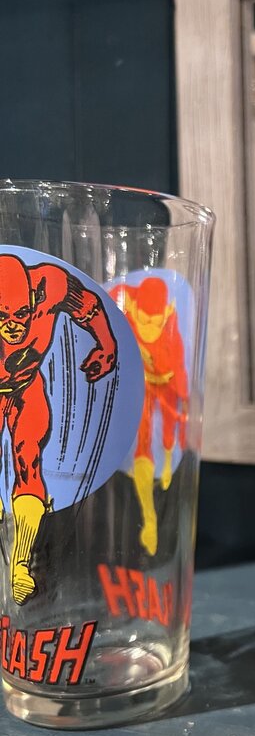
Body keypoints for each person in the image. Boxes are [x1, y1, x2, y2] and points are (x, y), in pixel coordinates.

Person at [0, 254, 117, 604]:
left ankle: (21, 564)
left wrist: (106, 347)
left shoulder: (52, 285)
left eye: (21, 315)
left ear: (34, 297)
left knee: (30, 462)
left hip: (26, 387)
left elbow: (91, 308)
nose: (13, 327)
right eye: (3, 317)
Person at [110, 278, 188, 555]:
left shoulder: (170, 329)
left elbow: (178, 373)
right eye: (144, 319)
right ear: (135, 309)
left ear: (165, 314)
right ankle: (149, 518)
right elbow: (112, 295)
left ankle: (167, 465)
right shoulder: (127, 308)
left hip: (167, 386)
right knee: (142, 445)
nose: (149, 327)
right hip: (143, 387)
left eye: (155, 322)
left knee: (168, 434)